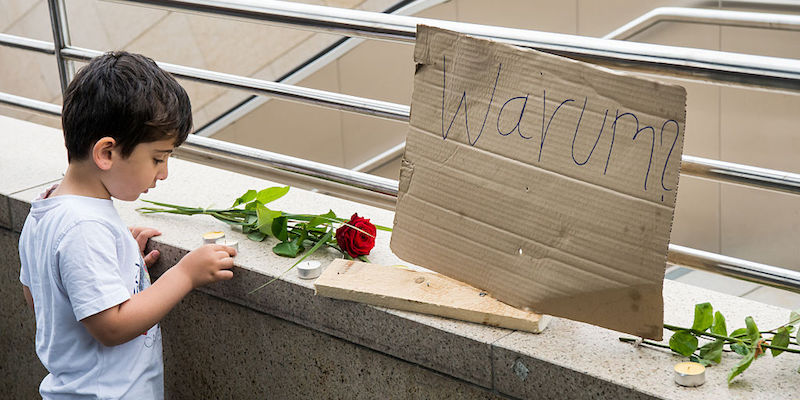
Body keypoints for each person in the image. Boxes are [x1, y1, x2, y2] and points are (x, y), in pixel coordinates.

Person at [18, 51, 236, 399]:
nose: (163, 173)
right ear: (106, 153)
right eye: (157, 158)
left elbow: (41, 297)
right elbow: (112, 326)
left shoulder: (46, 209)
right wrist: (185, 274)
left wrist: (118, 267)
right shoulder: (84, 227)